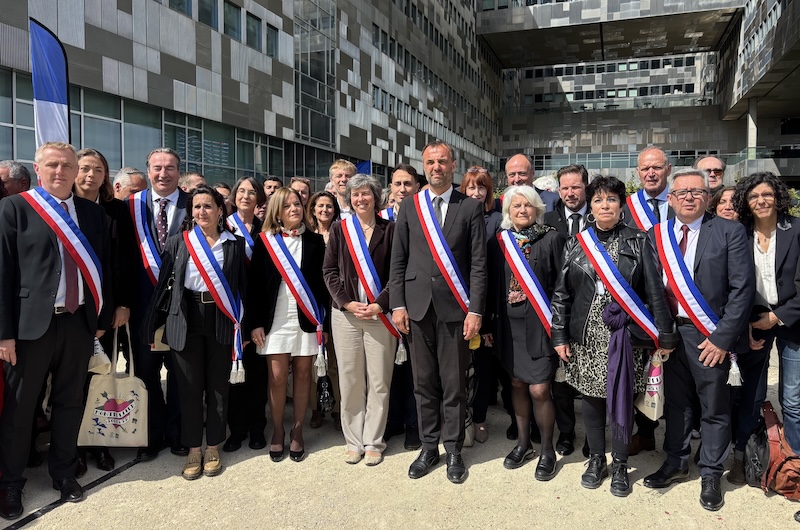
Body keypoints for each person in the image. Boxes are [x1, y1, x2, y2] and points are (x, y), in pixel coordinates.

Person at [0, 142, 112, 519]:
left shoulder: (92, 214)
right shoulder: (14, 208)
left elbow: (103, 268)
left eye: (67, 165)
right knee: (20, 407)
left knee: (69, 402)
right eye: (52, 165)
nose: (60, 171)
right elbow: (2, 274)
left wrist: (99, 321)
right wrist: (4, 334)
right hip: (29, 327)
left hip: (77, 323)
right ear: (38, 168)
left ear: (76, 170)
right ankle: (10, 482)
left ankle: (63, 472)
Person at [551, 175, 678, 497]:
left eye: (611, 199)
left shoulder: (639, 241)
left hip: (624, 336)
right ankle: (597, 459)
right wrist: (559, 335)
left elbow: (654, 291)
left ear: (621, 205)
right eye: (598, 200)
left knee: (621, 398)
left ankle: (620, 463)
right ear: (590, 206)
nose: (604, 205)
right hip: (586, 337)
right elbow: (562, 295)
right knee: (591, 401)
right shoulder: (576, 243)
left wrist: (664, 335)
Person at [643, 169, 754, 511]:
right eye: (682, 192)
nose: (689, 197)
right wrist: (663, 333)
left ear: (707, 198)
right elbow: (653, 289)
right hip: (671, 334)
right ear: (671, 199)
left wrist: (722, 339)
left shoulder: (729, 231)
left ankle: (710, 473)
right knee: (677, 404)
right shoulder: (657, 235)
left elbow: (742, 290)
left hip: (709, 335)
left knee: (714, 406)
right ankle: (676, 462)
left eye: (697, 192)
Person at [388, 140, 487, 484]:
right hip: (416, 308)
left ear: (453, 165)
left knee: (454, 384)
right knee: (423, 383)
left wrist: (476, 311)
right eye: (430, 162)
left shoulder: (469, 207)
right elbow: (398, 260)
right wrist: (397, 304)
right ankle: (429, 447)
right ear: (423, 165)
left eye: (442, 161)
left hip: (455, 310)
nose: (436, 167)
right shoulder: (410, 206)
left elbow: (478, 264)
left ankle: (454, 449)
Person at [144, 186, 247, 480]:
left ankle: (213, 446)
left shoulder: (234, 244)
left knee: (218, 387)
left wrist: (246, 326)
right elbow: (164, 286)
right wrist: (152, 325)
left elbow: (243, 287)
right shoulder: (179, 242)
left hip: (222, 318)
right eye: (197, 207)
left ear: (220, 210)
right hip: (185, 317)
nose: (202, 212)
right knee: (188, 388)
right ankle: (192, 448)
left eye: (208, 206)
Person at [485, 185, 566, 479]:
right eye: (516, 206)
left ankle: (547, 450)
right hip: (508, 327)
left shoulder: (552, 239)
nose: (522, 210)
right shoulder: (499, 242)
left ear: (537, 209)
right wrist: (488, 325)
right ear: (508, 211)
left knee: (540, 389)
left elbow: (563, 287)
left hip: (541, 326)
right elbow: (491, 285)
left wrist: (560, 329)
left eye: (527, 205)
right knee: (516, 384)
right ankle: (523, 444)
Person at [247, 187, 329, 463]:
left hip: (307, 316)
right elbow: (254, 287)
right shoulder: (264, 241)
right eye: (287, 206)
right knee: (277, 377)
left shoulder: (315, 241)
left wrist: (324, 324)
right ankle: (278, 430)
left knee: (304, 374)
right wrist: (255, 323)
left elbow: (322, 286)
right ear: (277, 212)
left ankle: (297, 430)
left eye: (297, 204)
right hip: (275, 319)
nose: (294, 209)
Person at [727, 172, 800, 481]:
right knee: (751, 395)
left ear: (778, 196)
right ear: (746, 202)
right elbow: (732, 283)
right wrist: (743, 324)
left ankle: (794, 464)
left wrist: (778, 316)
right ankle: (742, 456)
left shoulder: (797, 229)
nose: (761, 201)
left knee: (792, 398)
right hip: (753, 321)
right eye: (754, 196)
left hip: (794, 321)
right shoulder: (739, 233)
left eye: (767, 194)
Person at [323, 174, 396, 465]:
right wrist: (346, 302)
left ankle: (374, 441)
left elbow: (397, 273)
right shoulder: (340, 229)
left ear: (375, 197)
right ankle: (353, 440)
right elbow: (329, 271)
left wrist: (380, 304)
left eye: (365, 193)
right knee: (350, 379)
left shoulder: (390, 229)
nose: (360, 199)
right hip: (346, 316)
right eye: (355, 194)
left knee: (379, 381)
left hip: (380, 316)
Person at [73, 148, 137, 473]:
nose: (90, 175)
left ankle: (99, 443)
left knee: (100, 378)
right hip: (71, 311)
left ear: (106, 176)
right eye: (84, 168)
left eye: (97, 170)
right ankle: (74, 448)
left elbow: (124, 259)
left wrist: (123, 303)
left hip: (105, 309)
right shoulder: (61, 208)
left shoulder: (116, 210)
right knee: (72, 383)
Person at [127, 147, 189, 461]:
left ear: (179, 171)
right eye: (157, 168)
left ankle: (178, 433)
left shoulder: (196, 204)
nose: (163, 174)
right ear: (148, 170)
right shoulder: (130, 207)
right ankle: (151, 435)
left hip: (183, 307)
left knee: (180, 374)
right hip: (142, 307)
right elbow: (120, 259)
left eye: (170, 168)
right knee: (146, 374)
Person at [622, 145, 675, 456]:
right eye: (645, 169)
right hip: (642, 302)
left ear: (668, 169)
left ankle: (677, 438)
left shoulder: (682, 201)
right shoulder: (627, 208)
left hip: (682, 299)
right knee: (644, 371)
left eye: (656, 167)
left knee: (677, 373)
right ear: (638, 172)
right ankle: (645, 433)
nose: (651, 173)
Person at [460, 166, 511, 444]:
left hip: (485, 305)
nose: (476, 192)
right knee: (458, 369)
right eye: (471, 187)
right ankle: (460, 419)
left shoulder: (498, 221)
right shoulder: (455, 216)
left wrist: (487, 317)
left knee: (483, 368)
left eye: (481, 187)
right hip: (456, 302)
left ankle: (479, 418)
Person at [542, 164, 589, 456]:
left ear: (586, 187)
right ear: (558, 190)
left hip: (592, 310)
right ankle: (567, 432)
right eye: (565, 188)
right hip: (557, 307)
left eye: (576, 187)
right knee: (561, 378)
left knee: (593, 376)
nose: (570, 193)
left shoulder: (600, 216)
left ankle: (593, 437)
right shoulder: (547, 219)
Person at [223, 177, 269, 453]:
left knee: (257, 374)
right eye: (241, 191)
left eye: (252, 192)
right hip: (230, 310)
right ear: (234, 195)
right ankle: (236, 430)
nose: (246, 196)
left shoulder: (267, 229)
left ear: (259, 198)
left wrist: (257, 320)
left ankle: (257, 428)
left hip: (258, 311)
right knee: (232, 374)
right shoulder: (223, 226)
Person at [383, 164, 422, 450]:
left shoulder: (425, 217)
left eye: (407, 183)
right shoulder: (380, 219)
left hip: (414, 302)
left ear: (417, 187)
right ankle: (392, 420)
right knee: (387, 368)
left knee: (413, 368)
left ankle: (413, 423)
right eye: (397, 184)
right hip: (382, 304)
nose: (402, 189)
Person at [306, 190, 342, 430]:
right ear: (313, 209)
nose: (325, 210)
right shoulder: (306, 236)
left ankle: (338, 409)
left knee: (336, 363)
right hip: (311, 302)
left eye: (329, 206)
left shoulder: (341, 233)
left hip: (335, 301)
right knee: (313, 362)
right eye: (320, 206)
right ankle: (316, 408)